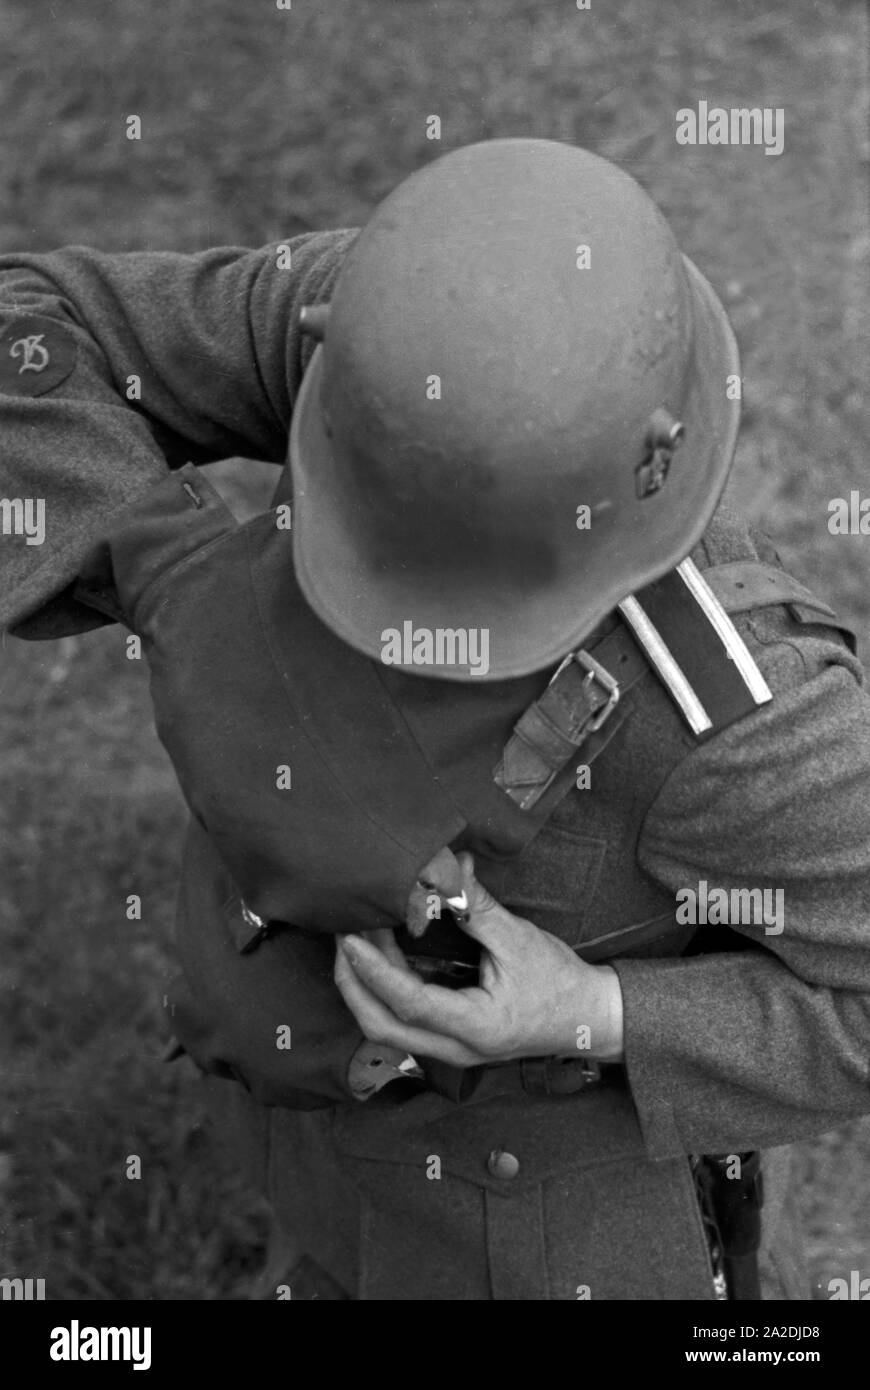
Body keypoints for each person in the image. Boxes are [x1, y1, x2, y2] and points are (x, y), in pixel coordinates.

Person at [2, 138, 869, 1302]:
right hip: (306, 1116)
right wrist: (176, 587)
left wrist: (590, 1013)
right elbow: (30, 326)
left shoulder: (740, 721)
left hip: (526, 1230)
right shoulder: (389, 338)